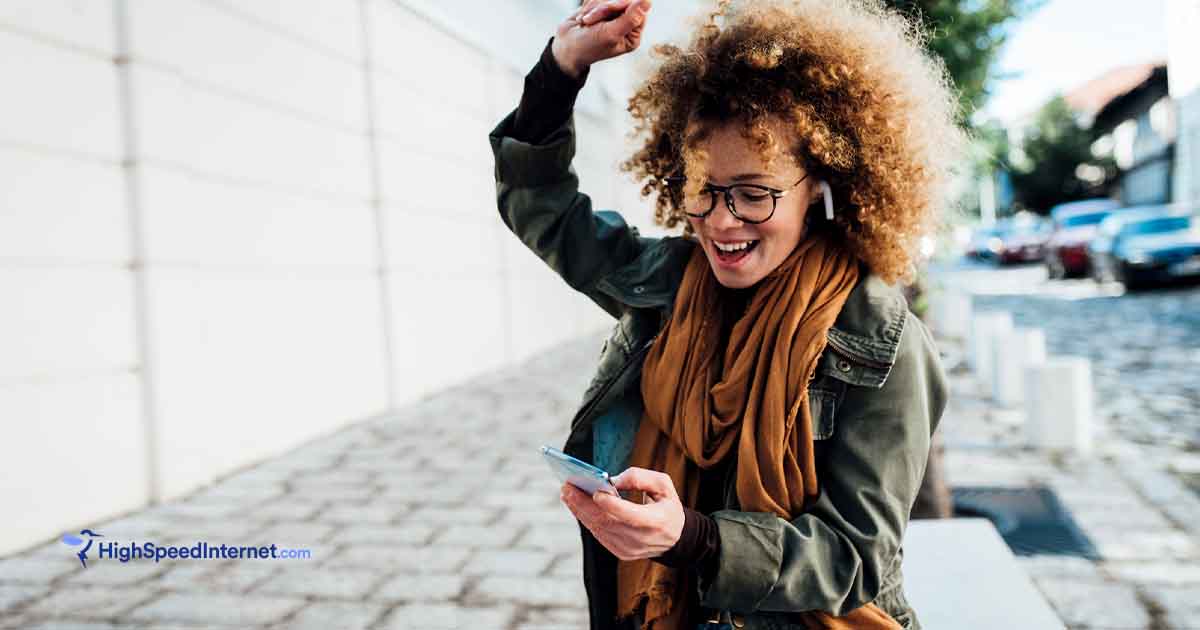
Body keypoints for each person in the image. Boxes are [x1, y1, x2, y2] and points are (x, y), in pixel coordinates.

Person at [487, 0, 962, 628]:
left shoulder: (884, 343)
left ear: (821, 188)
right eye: (702, 189)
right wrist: (565, 63)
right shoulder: (668, 282)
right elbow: (539, 204)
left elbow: (853, 560)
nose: (720, 220)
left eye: (754, 193)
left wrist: (691, 539)